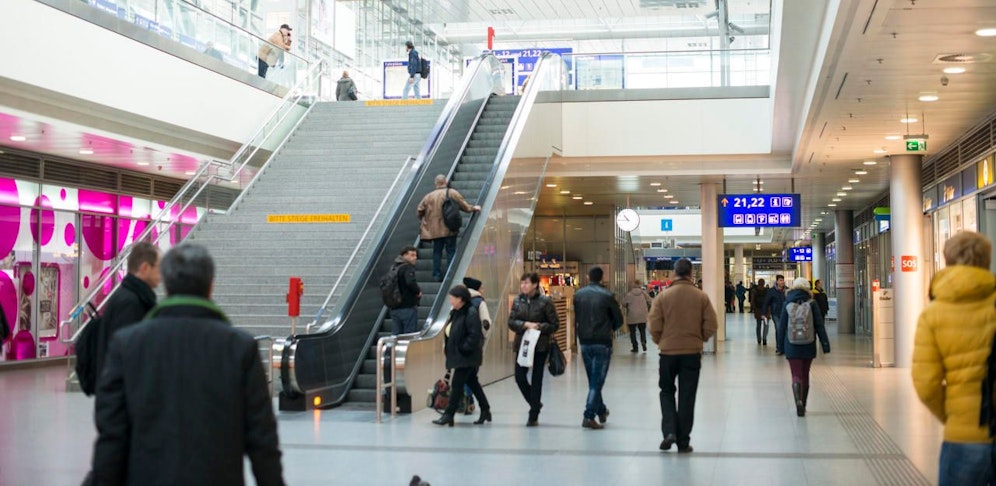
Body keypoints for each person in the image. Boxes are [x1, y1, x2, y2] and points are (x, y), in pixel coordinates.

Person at [87, 244, 283, 485]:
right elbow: (262, 438)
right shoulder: (239, 347)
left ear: (167, 285)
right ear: (211, 286)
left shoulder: (128, 345)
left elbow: (112, 434)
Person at [912, 231, 996, 486]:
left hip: (965, 437)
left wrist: (954, 416)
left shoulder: (933, 315)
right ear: (986, 260)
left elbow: (926, 384)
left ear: (947, 260)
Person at [648, 258, 717, 453]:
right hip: (691, 354)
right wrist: (700, 338)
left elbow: (653, 324)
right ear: (690, 274)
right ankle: (683, 441)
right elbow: (712, 323)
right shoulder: (701, 297)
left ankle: (669, 431)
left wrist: (661, 341)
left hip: (667, 354)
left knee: (667, 391)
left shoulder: (663, 297)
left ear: (674, 274)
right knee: (687, 396)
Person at [94, 242, 161, 382]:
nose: (162, 274)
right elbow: (127, 355)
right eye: (159, 268)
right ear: (145, 268)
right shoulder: (131, 303)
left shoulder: (130, 297)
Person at [574, 267, 624, 429]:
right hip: (602, 342)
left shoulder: (578, 295)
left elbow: (577, 317)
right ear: (602, 278)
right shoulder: (607, 296)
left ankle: (601, 410)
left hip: (585, 341)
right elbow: (618, 319)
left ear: (588, 277)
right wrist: (610, 329)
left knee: (593, 379)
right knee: (597, 381)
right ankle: (588, 415)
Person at [432, 285, 489, 427]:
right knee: (473, 383)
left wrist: (464, 348)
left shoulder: (470, 312)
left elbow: (474, 335)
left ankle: (448, 414)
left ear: (461, 299)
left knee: (456, 385)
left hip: (467, 356)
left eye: (452, 298)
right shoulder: (456, 312)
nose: (450, 301)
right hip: (460, 355)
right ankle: (485, 409)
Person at [508, 272, 560, 426]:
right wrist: (524, 325)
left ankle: (533, 414)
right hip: (523, 343)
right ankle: (535, 402)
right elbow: (511, 322)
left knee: (537, 378)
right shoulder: (518, 301)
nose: (523, 286)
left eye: (526, 283)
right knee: (519, 377)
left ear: (535, 285)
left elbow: (554, 324)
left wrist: (539, 326)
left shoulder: (545, 302)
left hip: (540, 345)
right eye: (522, 283)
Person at [779, 277, 830, 417]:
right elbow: (819, 325)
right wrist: (825, 344)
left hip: (791, 344)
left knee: (796, 374)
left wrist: (780, 347)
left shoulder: (787, 303)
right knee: (805, 374)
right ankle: (804, 403)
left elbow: (782, 327)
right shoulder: (812, 303)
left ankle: (798, 402)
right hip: (808, 344)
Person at [417, 174, 481, 282]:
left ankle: (436, 275)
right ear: (445, 182)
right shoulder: (451, 192)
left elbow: (419, 210)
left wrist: (426, 219)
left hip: (435, 230)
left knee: (437, 251)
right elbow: (463, 205)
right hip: (449, 228)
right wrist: (473, 208)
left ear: (435, 184)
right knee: (450, 250)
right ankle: (449, 275)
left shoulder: (428, 196)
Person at [389, 246, 421, 335]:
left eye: (415, 255)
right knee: (408, 335)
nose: (415, 258)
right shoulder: (407, 267)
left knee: (396, 334)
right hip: (407, 306)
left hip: (394, 306)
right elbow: (410, 282)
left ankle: (391, 349)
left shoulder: (393, 267)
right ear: (404, 255)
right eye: (412, 255)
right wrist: (418, 291)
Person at [622, 279, 653, 353]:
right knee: (642, 330)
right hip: (642, 315)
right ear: (640, 285)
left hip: (632, 315)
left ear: (633, 285)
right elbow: (650, 301)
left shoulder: (629, 294)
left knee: (632, 332)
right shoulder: (644, 293)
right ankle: (643, 342)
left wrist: (627, 305)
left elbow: (623, 303)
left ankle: (635, 347)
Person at [763, 274, 787, 355]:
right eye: (780, 280)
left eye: (783, 280)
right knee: (779, 329)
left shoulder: (787, 290)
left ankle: (784, 347)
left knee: (785, 330)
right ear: (777, 281)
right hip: (776, 313)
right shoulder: (771, 291)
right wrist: (764, 313)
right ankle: (779, 347)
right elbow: (766, 302)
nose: (782, 282)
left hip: (786, 313)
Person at [751, 278, 769, 345]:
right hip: (766, 311)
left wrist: (754, 308)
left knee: (758, 325)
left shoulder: (755, 291)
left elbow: (752, 301)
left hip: (758, 310)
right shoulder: (767, 291)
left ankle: (759, 339)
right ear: (764, 283)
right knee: (766, 324)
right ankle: (764, 338)